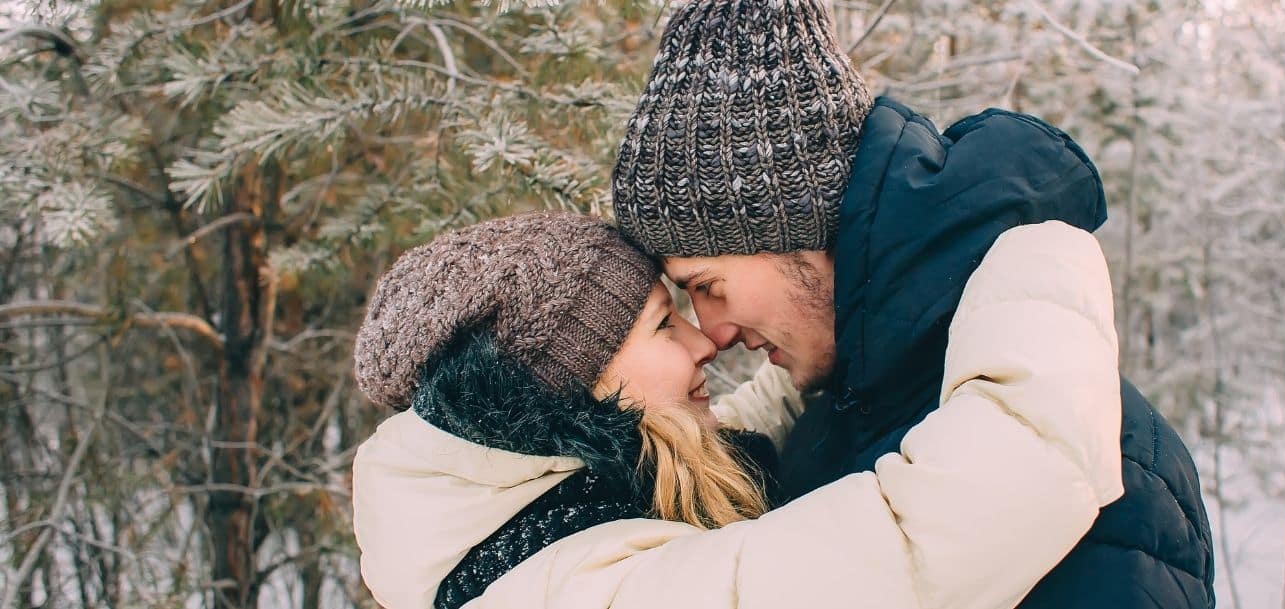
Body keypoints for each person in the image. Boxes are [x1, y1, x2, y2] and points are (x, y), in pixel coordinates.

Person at [609, 1, 1214, 607]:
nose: (711, 334)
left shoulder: (1086, 471)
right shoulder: (849, 405)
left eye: (707, 286)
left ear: (796, 229)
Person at [351, 211, 1124, 609]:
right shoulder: (591, 592)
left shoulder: (521, 535)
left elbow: (740, 433)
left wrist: (809, 351)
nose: (706, 343)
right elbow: (945, 531)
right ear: (567, 391)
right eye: (663, 321)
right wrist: (1039, 252)